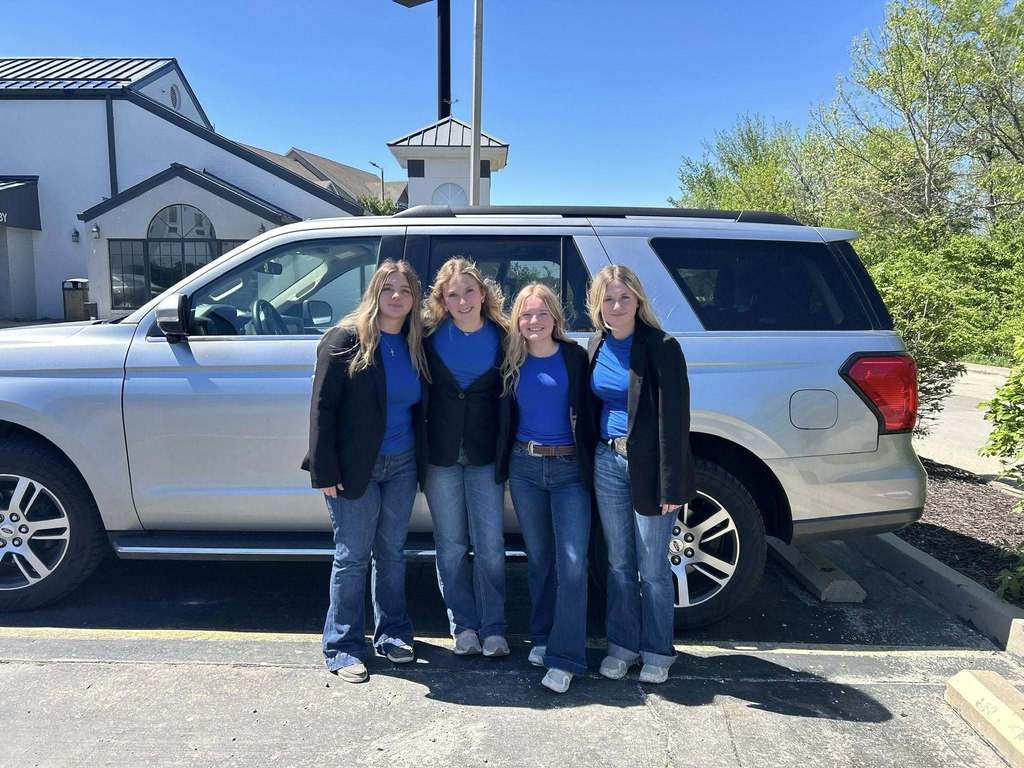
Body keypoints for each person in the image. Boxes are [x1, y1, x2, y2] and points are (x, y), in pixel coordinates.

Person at [302, 260, 430, 683]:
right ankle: (342, 645)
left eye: (405, 290)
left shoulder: (415, 343)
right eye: (388, 288)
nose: (396, 297)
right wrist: (324, 470)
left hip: (403, 463)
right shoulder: (345, 340)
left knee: (392, 553)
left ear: (415, 300)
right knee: (352, 556)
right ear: (374, 292)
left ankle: (392, 633)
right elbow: (322, 408)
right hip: (354, 466)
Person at [587, 264, 696, 684]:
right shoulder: (597, 343)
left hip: (648, 468)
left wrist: (672, 484)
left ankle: (657, 651)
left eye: (624, 298)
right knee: (617, 563)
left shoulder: (662, 346)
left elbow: (675, 419)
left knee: (652, 567)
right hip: (606, 462)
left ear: (638, 301)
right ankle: (622, 646)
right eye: (608, 299)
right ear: (598, 304)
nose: (616, 306)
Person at [495, 283, 594, 694]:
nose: (533, 321)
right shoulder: (511, 359)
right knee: (540, 560)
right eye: (525, 314)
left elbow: (593, 410)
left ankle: (566, 656)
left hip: (570, 468)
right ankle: (541, 635)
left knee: (572, 564)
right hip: (525, 467)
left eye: (541, 313)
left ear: (555, 316)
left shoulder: (574, 357)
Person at [422, 257, 511, 657]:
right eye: (452, 294)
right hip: (440, 456)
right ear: (442, 298)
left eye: (469, 291)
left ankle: (494, 627)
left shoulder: (506, 336)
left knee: (490, 545)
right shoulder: (425, 336)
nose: (462, 301)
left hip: (484, 455)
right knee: (452, 546)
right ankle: (464, 627)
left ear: (483, 293)